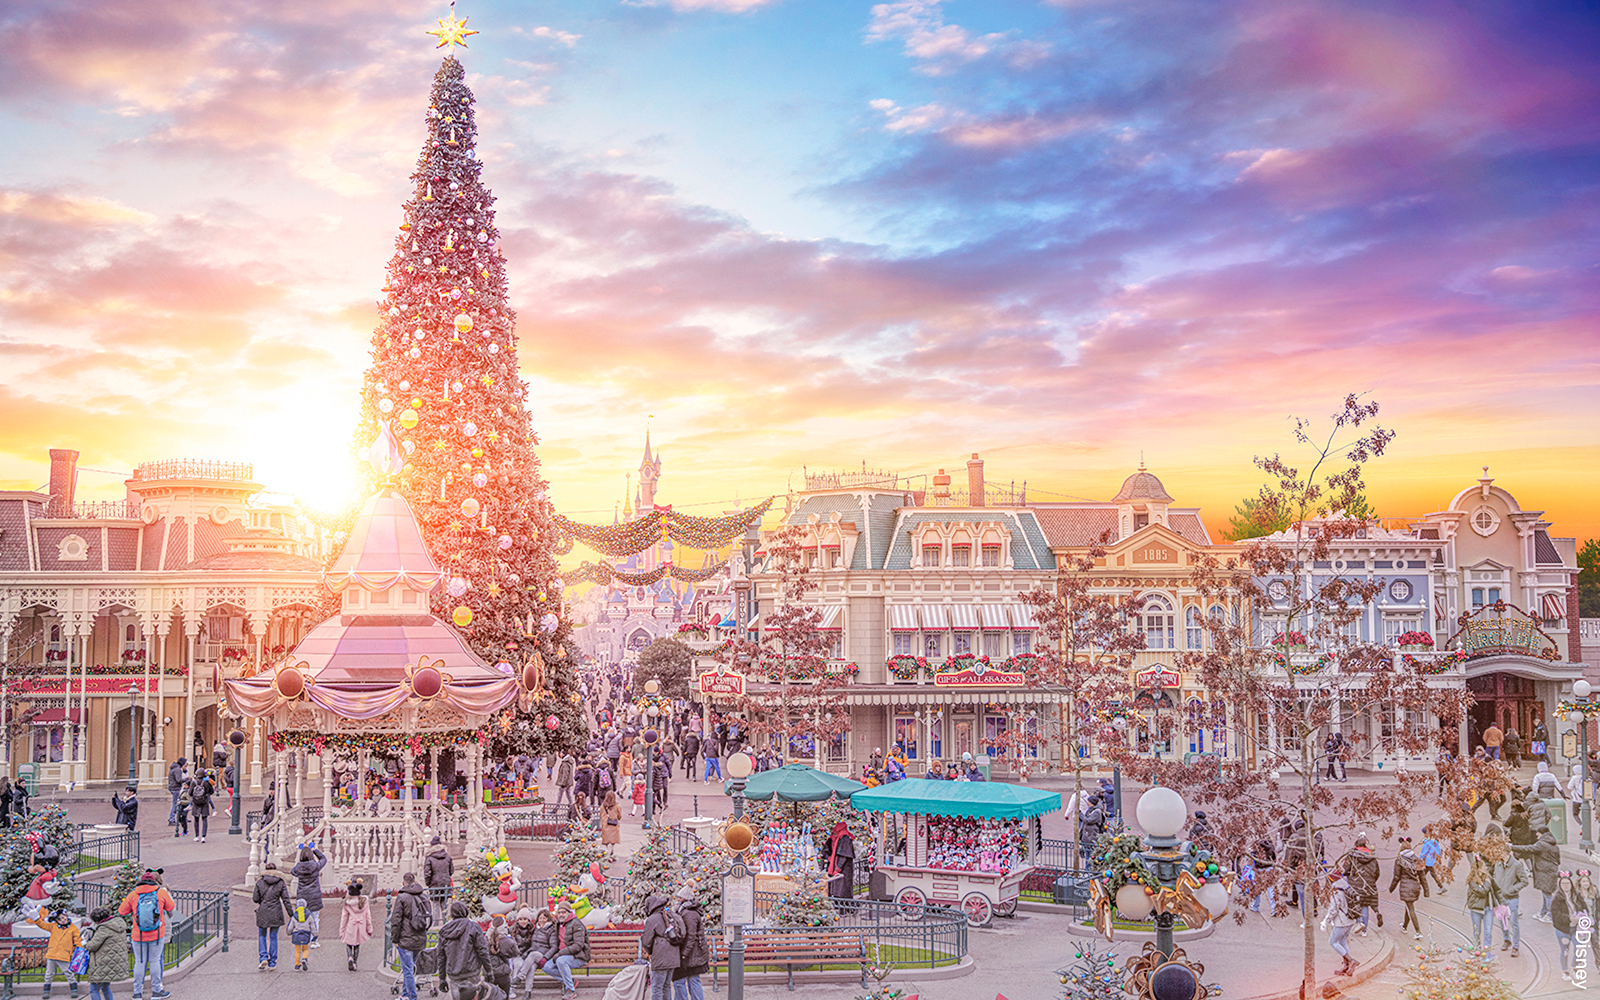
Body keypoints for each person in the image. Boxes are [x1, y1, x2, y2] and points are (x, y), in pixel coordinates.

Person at [117, 870, 175, 1000]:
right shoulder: (160, 892)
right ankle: (156, 991)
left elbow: (122, 911)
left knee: (139, 962)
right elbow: (171, 908)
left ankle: (137, 992)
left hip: (138, 935)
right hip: (156, 934)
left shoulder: (133, 894)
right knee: (155, 961)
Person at [438, 900, 492, 997]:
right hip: (471, 972)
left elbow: (441, 956)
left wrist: (442, 978)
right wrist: (489, 971)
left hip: (455, 974)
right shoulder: (473, 927)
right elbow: (482, 951)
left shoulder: (445, 931)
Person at [390, 873, 431, 1000]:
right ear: (415, 881)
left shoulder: (402, 898)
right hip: (420, 938)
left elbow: (396, 920)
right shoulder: (423, 897)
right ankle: (405, 995)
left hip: (406, 939)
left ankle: (412, 997)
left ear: (403, 883)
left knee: (407, 970)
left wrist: (395, 939)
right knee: (409, 967)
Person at [538, 900, 589, 1000]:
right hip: (562, 955)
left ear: (569, 912)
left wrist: (560, 954)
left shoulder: (577, 924)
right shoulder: (558, 923)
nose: (561, 914)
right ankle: (570, 981)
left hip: (578, 956)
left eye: (563, 912)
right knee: (546, 967)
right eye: (559, 912)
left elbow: (578, 945)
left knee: (560, 961)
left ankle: (570, 990)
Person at [1511, 824, 1560, 922]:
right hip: (1551, 870)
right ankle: (1543, 911)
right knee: (1546, 891)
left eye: (1538, 832)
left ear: (1542, 833)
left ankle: (1550, 914)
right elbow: (1558, 860)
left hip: (1544, 870)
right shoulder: (1553, 844)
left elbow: (1528, 849)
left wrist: (1512, 847)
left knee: (1547, 893)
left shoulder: (1542, 844)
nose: (1536, 834)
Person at [640, 894, 684, 1000]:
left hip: (660, 957)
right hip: (673, 956)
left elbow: (646, 940)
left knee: (657, 988)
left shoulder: (652, 919)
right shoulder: (672, 915)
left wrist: (650, 951)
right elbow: (683, 933)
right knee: (666, 986)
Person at [31, 906, 80, 1000]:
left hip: (64, 955)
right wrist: (36, 919)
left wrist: (80, 947)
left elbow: (77, 940)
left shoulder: (73, 928)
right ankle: (46, 991)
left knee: (68, 973)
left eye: (64, 916)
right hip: (52, 955)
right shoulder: (53, 926)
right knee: (49, 974)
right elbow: (43, 925)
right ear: (56, 921)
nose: (63, 919)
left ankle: (74, 989)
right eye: (60, 919)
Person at [84, 905, 129, 1000]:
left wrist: (85, 943)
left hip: (102, 964)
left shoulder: (104, 929)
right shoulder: (118, 924)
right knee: (105, 987)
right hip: (113, 963)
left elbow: (92, 946)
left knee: (94, 990)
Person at [1387, 836, 1429, 940]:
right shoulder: (1417, 859)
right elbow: (1422, 877)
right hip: (1415, 887)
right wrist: (1426, 891)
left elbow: (1396, 877)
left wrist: (1391, 888)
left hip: (1406, 887)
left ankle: (1418, 931)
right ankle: (1404, 926)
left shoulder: (1399, 860)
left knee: (1410, 908)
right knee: (1408, 905)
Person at [1338, 834, 1381, 934]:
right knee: (1365, 905)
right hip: (1368, 885)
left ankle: (1359, 922)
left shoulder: (1351, 856)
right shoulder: (1372, 856)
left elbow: (1345, 870)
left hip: (1355, 884)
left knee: (1356, 903)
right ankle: (1364, 931)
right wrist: (1371, 880)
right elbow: (1377, 873)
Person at [672, 884, 708, 1000]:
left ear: (685, 898)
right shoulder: (687, 911)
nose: (677, 898)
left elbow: (691, 936)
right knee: (693, 979)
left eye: (680, 897)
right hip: (694, 953)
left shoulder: (689, 914)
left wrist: (684, 954)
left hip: (691, 954)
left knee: (679, 981)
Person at [253, 861, 291, 970]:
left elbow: (255, 898)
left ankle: (263, 957)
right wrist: (291, 914)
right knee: (273, 937)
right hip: (276, 912)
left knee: (262, 935)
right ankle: (272, 963)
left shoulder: (260, 882)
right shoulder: (280, 882)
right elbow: (286, 900)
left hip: (263, 911)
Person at [510, 909, 556, 997]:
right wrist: (525, 953)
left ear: (548, 919)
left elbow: (554, 947)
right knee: (531, 966)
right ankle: (528, 991)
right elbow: (533, 945)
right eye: (540, 918)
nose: (542, 920)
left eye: (544, 918)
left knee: (533, 954)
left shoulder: (551, 929)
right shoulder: (536, 929)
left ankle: (520, 977)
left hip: (544, 954)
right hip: (534, 955)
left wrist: (545, 957)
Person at [1320, 872, 1358, 978]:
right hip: (1350, 920)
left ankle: (1350, 961)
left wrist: (1325, 922)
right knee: (1343, 942)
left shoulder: (1336, 891)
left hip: (1342, 922)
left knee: (1332, 942)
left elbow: (1333, 910)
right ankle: (1347, 967)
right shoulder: (1346, 886)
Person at [291, 843, 327, 948]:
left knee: (302, 918)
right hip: (314, 896)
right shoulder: (315, 866)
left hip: (302, 896)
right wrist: (315, 850)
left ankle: (303, 939)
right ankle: (314, 940)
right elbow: (323, 859)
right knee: (315, 918)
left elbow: (293, 871)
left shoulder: (298, 867)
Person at [1553, 870, 1588, 982]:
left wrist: (1583, 917)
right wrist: (1569, 918)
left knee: (1579, 948)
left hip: (1576, 928)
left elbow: (1584, 907)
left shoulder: (1576, 895)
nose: (1566, 885)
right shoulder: (1557, 898)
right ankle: (1565, 971)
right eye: (1563, 883)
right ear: (1560, 885)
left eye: (1567, 883)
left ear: (1571, 884)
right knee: (1565, 950)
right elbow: (1555, 915)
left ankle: (1575, 968)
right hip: (1563, 929)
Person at [340, 879, 373, 971]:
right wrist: (369, 929)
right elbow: (368, 916)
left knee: (349, 943)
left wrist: (342, 930)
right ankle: (355, 962)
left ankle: (349, 957)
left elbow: (344, 918)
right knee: (357, 945)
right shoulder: (364, 902)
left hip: (351, 925)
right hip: (361, 926)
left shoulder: (347, 903)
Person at [484, 914, 514, 999]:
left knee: (490, 995)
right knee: (504, 995)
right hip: (503, 972)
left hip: (489, 972)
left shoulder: (485, 939)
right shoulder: (507, 941)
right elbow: (515, 953)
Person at [425, 835, 455, 922]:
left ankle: (435, 925)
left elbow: (427, 873)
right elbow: (451, 870)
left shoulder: (429, 858)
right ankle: (445, 923)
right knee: (444, 905)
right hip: (445, 884)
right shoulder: (447, 857)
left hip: (434, 884)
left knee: (435, 905)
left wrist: (428, 883)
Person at [827, 820, 856, 899]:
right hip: (843, 869)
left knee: (843, 891)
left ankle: (845, 908)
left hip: (844, 869)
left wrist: (838, 868)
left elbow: (844, 855)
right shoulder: (841, 838)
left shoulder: (845, 839)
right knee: (841, 890)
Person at [287, 898, 314, 972]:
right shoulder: (309, 915)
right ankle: (304, 959)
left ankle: (297, 963)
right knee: (305, 949)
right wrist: (314, 933)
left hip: (296, 935)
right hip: (305, 934)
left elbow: (290, 927)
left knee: (297, 950)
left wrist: (289, 932)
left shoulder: (294, 916)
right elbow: (312, 925)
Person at [189, 769, 214, 843]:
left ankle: (196, 836)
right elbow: (211, 792)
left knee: (196, 819)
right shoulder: (206, 782)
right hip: (204, 802)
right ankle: (203, 836)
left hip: (196, 802)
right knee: (204, 819)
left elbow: (190, 793)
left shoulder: (194, 782)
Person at [600, 791, 622, 856]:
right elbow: (620, 816)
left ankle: (609, 851)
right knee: (613, 841)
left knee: (607, 840)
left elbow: (601, 815)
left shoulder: (603, 806)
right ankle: (610, 851)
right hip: (613, 825)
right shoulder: (617, 806)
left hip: (605, 825)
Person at [165, 758, 185, 826]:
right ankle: (171, 819)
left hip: (172, 787)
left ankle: (174, 817)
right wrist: (187, 779)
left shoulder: (174, 768)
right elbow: (179, 780)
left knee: (176, 803)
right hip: (175, 788)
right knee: (175, 804)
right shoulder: (177, 769)